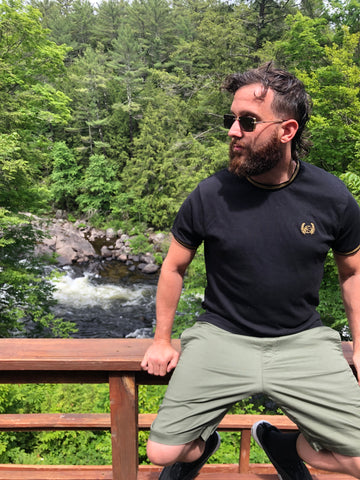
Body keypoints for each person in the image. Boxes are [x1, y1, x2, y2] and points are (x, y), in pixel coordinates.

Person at [140, 62, 360, 480]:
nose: (232, 131)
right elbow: (173, 266)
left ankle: (286, 445)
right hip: (221, 336)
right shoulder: (211, 194)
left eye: (247, 121)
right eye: (230, 119)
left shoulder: (331, 196)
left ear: (287, 130)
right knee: (163, 453)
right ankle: (205, 443)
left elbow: (352, 274)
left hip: (303, 341)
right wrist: (162, 340)